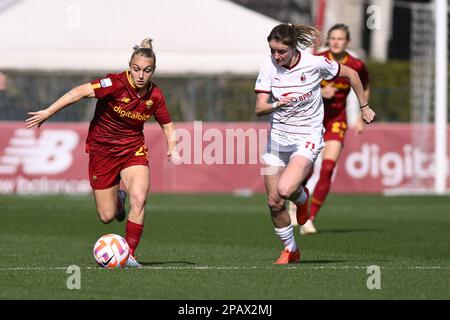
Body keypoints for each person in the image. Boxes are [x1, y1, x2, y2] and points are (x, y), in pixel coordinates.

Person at [25, 38, 179, 268]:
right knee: (107, 217)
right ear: (130, 66)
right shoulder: (114, 84)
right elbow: (79, 92)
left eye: (147, 71)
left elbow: (168, 125)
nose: (140, 75)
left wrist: (173, 147)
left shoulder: (155, 96)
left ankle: (129, 254)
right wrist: (49, 111)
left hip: (132, 150)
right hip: (102, 151)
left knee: (140, 198)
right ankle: (118, 200)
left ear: (153, 71)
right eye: (136, 69)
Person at [255, 23, 376, 264]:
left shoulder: (314, 63)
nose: (276, 56)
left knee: (286, 190)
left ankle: (301, 197)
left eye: (281, 51)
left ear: (293, 48)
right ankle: (291, 249)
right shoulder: (268, 66)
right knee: (273, 202)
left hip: (307, 137)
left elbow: (351, 74)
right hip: (277, 140)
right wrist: (277, 103)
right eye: (272, 51)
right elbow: (259, 108)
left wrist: (364, 107)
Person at [288, 24, 370, 235]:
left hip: (336, 120)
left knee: (327, 168)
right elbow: (300, 82)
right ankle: (295, 202)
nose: (335, 42)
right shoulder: (317, 60)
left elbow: (364, 84)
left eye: (340, 39)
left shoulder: (356, 64)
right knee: (307, 167)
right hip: (313, 120)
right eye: (332, 38)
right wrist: (322, 90)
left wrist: (363, 112)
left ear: (347, 42)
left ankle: (309, 218)